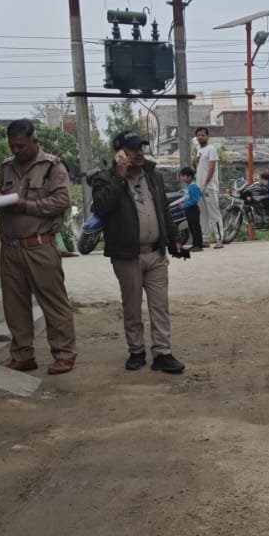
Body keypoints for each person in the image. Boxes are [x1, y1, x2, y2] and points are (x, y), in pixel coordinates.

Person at [92, 132, 186, 374]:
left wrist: (174, 239)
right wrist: (119, 177)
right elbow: (102, 206)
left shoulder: (153, 176)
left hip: (155, 253)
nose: (139, 153)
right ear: (120, 153)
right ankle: (136, 351)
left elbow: (164, 209)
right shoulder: (105, 179)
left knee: (160, 306)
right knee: (132, 306)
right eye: (133, 149)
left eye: (141, 148)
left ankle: (163, 353)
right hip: (127, 255)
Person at [0, 119, 77, 375]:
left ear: (34, 141)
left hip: (40, 246)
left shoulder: (52, 167)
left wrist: (24, 205)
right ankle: (23, 355)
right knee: (14, 305)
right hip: (10, 248)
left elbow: (62, 201)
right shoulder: (6, 168)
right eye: (12, 145)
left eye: (21, 145)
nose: (16, 150)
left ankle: (63, 354)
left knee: (53, 303)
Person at [194, 126, 223, 248]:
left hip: (209, 187)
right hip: (199, 187)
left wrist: (206, 183)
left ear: (207, 136)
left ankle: (219, 239)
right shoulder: (199, 150)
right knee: (203, 214)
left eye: (203, 135)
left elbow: (211, 168)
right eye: (198, 135)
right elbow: (198, 167)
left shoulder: (211, 149)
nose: (200, 137)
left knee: (214, 213)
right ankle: (205, 239)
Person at [179, 165, 205, 251]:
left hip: (193, 209)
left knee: (195, 227)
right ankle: (195, 244)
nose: (182, 178)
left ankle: (198, 245)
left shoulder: (193, 186)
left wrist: (185, 204)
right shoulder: (190, 186)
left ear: (189, 177)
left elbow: (195, 199)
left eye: (183, 176)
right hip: (189, 210)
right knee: (192, 227)